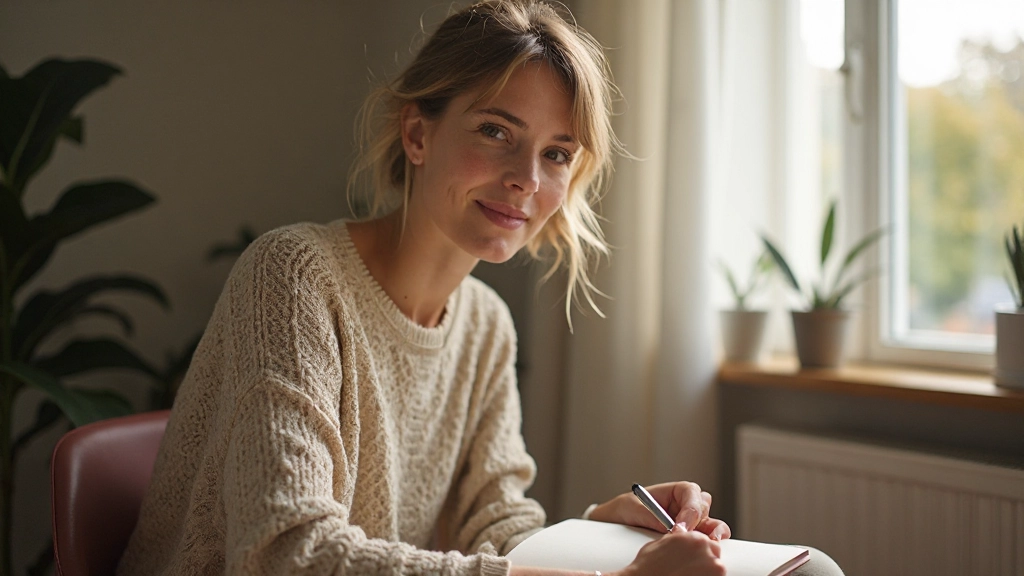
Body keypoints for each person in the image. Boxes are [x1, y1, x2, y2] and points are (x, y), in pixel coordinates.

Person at [119, 2, 843, 575]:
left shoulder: (486, 325)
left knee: (816, 571)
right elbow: (284, 554)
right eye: (498, 132)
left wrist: (604, 526)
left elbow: (497, 525)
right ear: (418, 136)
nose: (529, 179)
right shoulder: (294, 277)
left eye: (557, 153)